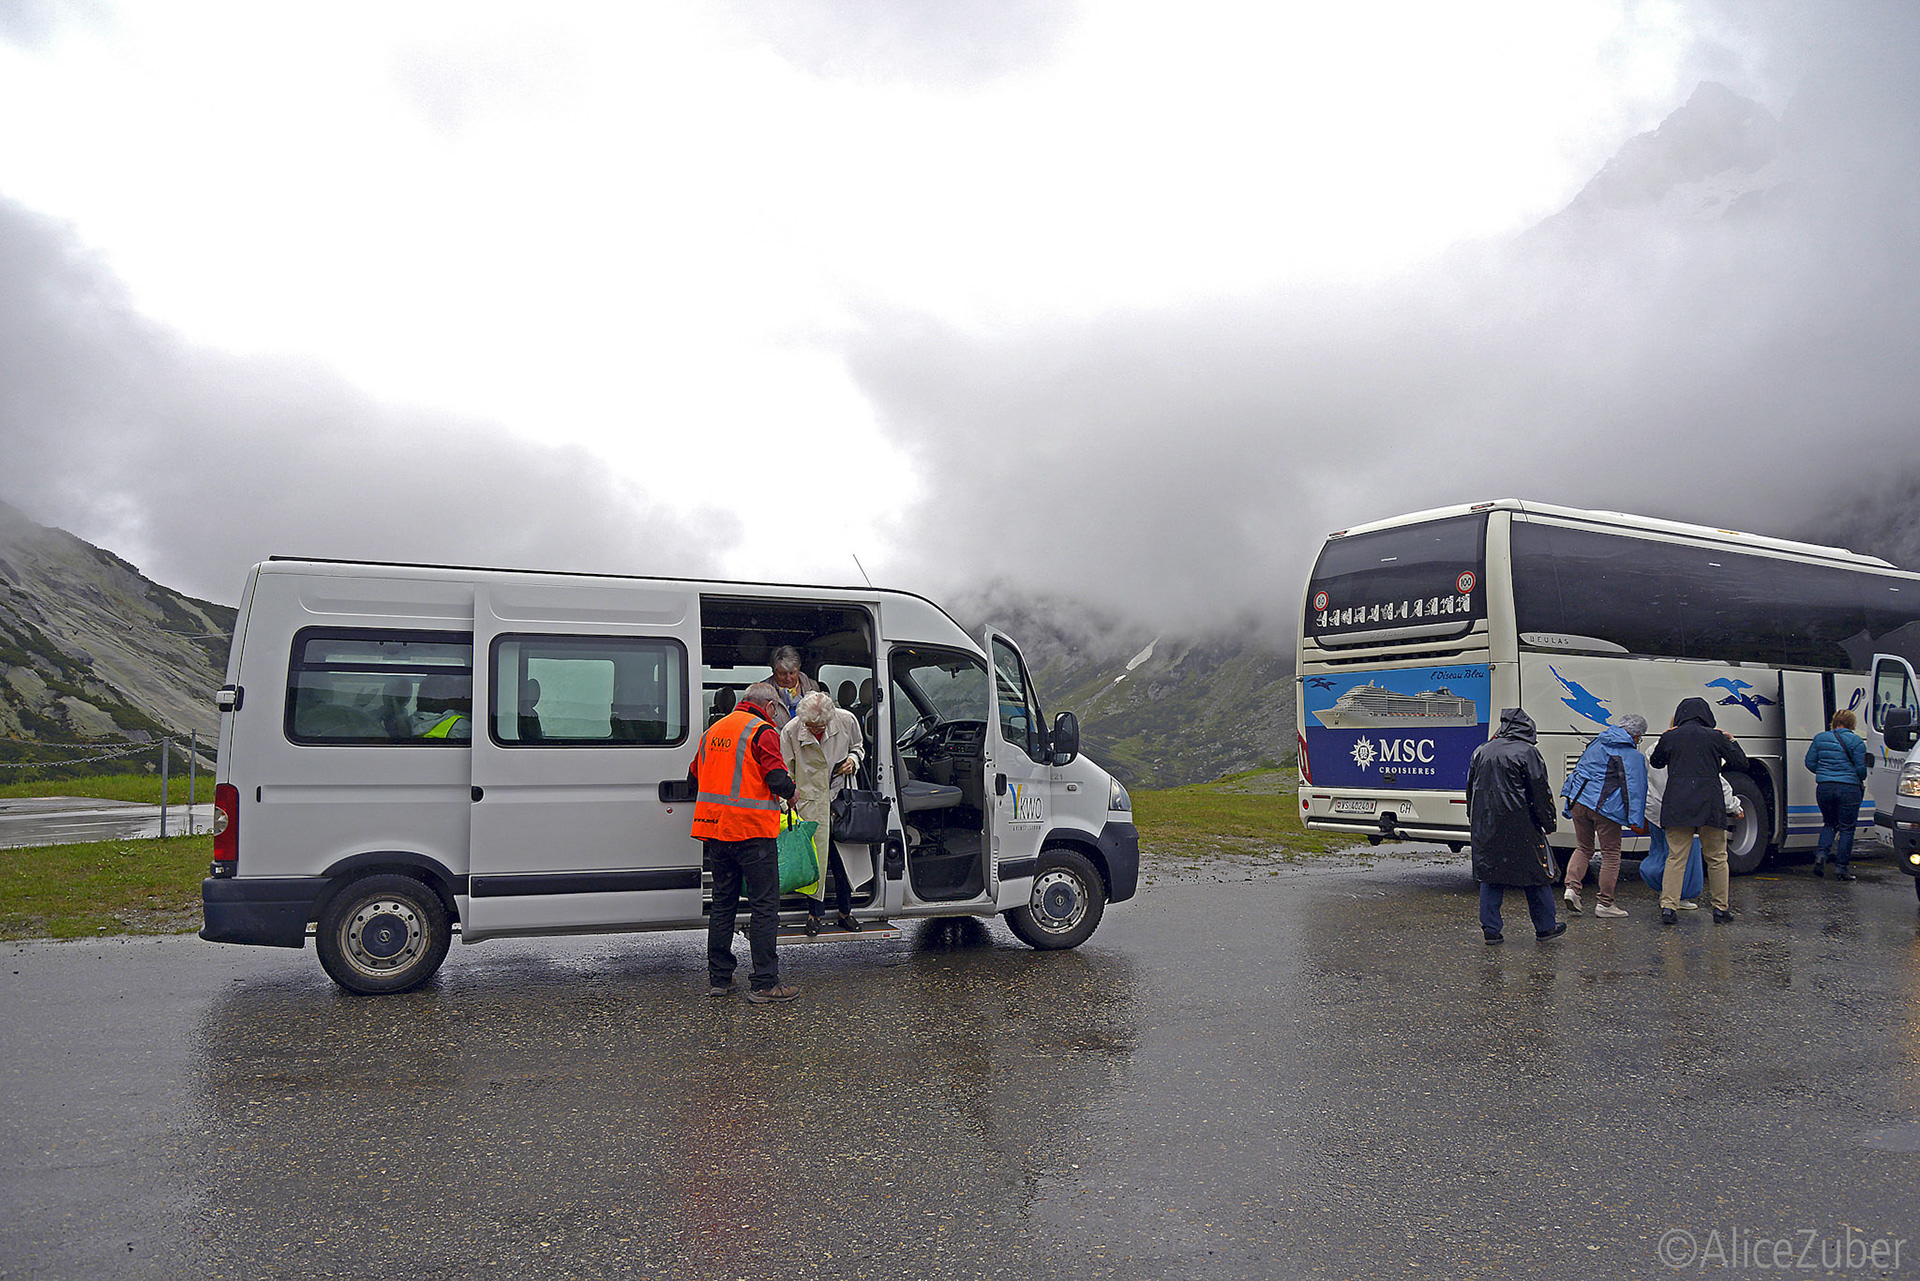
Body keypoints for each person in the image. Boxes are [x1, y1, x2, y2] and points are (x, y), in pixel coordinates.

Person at [689, 681, 799, 1002]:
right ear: (769, 707)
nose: (778, 715)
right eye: (777, 709)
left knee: (723, 904)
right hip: (752, 834)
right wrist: (793, 794)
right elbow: (776, 778)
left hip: (717, 834)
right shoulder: (762, 731)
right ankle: (765, 983)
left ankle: (720, 979)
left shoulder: (713, 731)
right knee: (764, 906)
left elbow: (693, 776)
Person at [1466, 708, 1564, 944]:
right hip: (1522, 824)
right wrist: (1548, 822)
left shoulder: (1482, 750)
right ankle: (1545, 927)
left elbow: (1471, 789)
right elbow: (1540, 791)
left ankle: (1491, 929)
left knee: (1490, 875)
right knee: (1536, 875)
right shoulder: (1528, 752)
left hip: (1487, 824)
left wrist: (1473, 818)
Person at [1649, 697, 1750, 925]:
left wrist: (1664, 738)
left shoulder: (1671, 737)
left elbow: (1656, 762)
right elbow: (1741, 764)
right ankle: (1720, 908)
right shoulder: (1715, 737)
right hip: (1709, 803)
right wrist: (1731, 741)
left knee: (1676, 857)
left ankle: (1668, 907)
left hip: (1678, 802)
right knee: (1717, 858)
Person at [780, 691, 867, 934]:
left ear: (829, 719)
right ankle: (814, 915)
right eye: (810, 725)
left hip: (841, 801)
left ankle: (845, 912)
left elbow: (859, 747)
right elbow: (785, 770)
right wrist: (788, 805)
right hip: (809, 803)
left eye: (820, 726)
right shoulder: (791, 730)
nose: (815, 730)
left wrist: (853, 760)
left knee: (843, 862)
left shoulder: (847, 720)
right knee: (815, 864)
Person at [1559, 714, 1648, 919]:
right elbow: (1635, 789)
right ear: (1636, 735)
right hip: (1605, 809)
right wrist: (1636, 820)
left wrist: (1568, 805)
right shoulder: (1631, 755)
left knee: (1584, 847)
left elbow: (1578, 772)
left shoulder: (1597, 743)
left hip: (1578, 802)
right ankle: (1605, 904)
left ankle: (1572, 889)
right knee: (1611, 854)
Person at [1805, 708, 1870, 881]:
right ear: (1852, 724)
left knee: (1829, 823)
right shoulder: (1856, 741)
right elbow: (1861, 769)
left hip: (1824, 788)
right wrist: (1855, 777)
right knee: (1847, 828)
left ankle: (1820, 856)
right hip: (1848, 789)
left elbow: (1809, 762)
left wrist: (1825, 774)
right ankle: (1841, 868)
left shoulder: (1820, 738)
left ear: (1835, 722)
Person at [764, 645, 821, 728]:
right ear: (774, 671)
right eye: (783, 674)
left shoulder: (812, 686)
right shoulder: (763, 691)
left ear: (798, 668)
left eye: (792, 673)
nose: (788, 678)